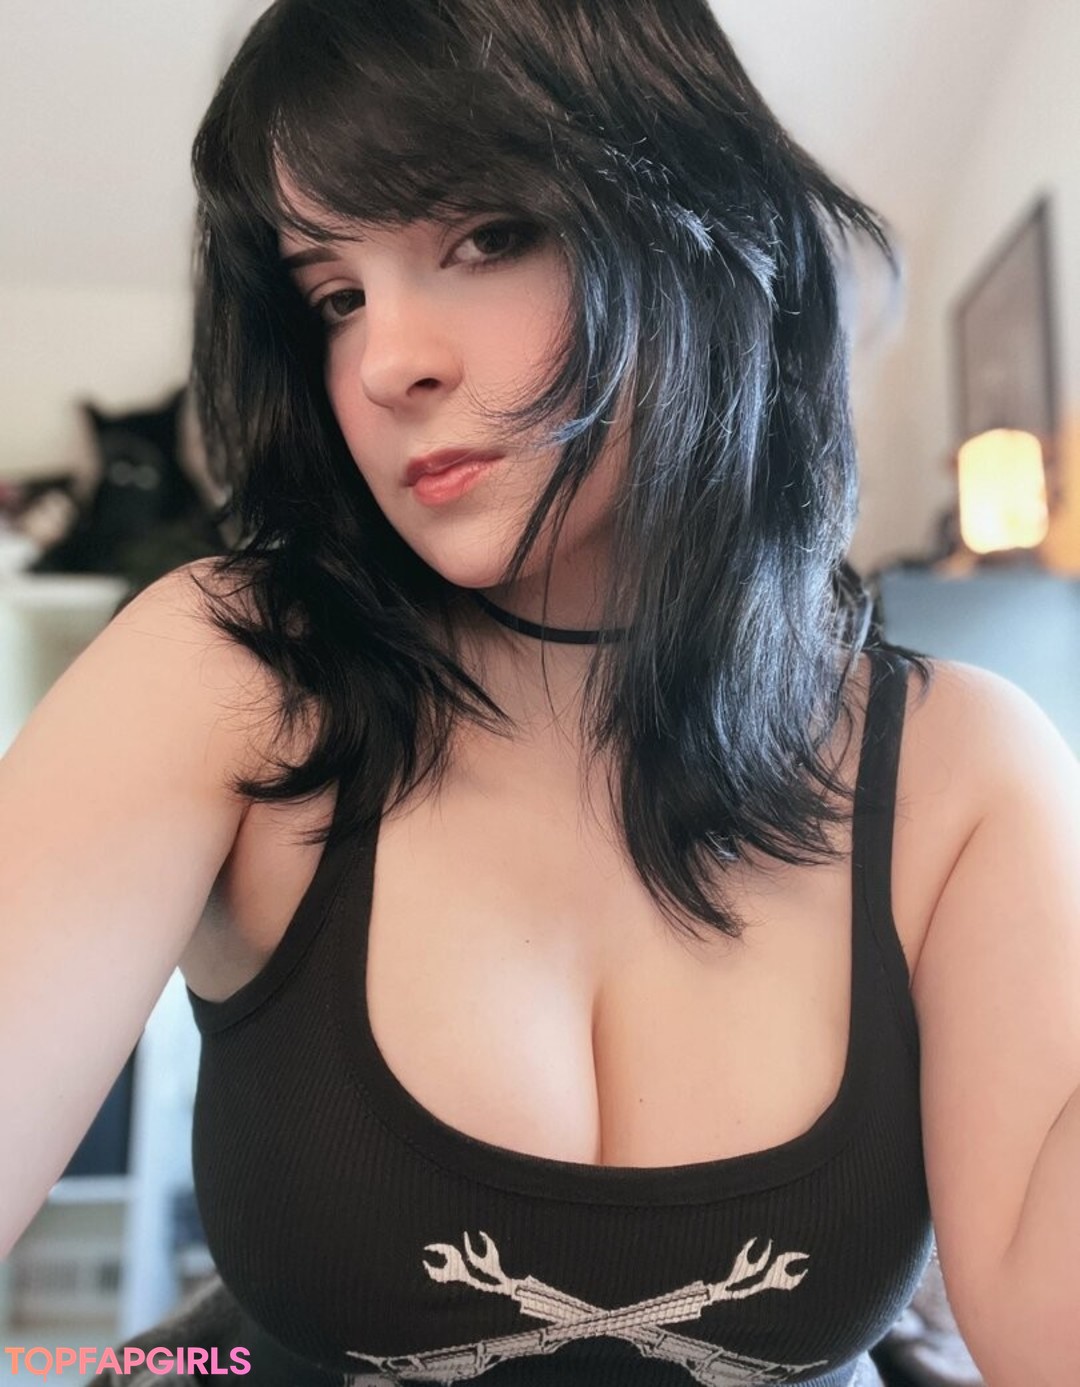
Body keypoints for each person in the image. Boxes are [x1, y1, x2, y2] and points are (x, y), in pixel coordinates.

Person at [2, 1, 1078, 1384]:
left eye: (486, 237)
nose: (387, 362)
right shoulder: (235, 674)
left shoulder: (960, 766)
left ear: (697, 228)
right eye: (335, 297)